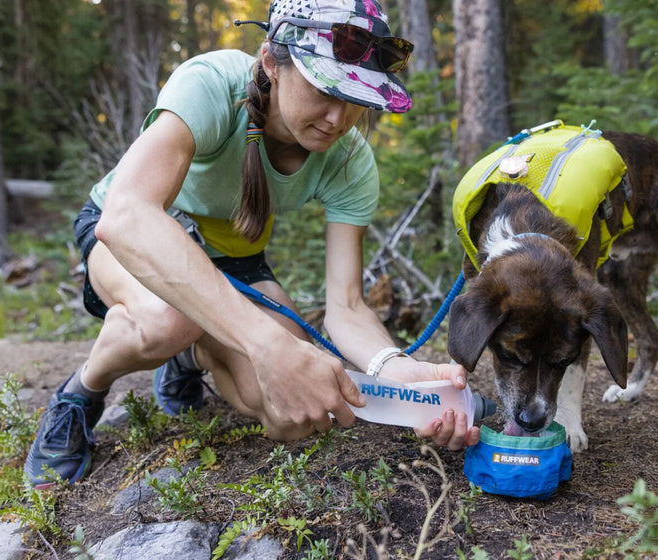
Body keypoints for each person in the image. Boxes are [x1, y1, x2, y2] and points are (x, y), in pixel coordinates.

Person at [24, 0, 480, 489]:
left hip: (234, 258)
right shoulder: (212, 84)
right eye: (324, 88)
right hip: (130, 237)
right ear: (271, 62)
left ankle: (190, 355)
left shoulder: (350, 160)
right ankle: (81, 392)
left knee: (290, 410)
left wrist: (392, 367)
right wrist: (266, 343)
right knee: (168, 319)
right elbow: (128, 216)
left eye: (356, 99)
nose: (337, 117)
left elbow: (346, 305)